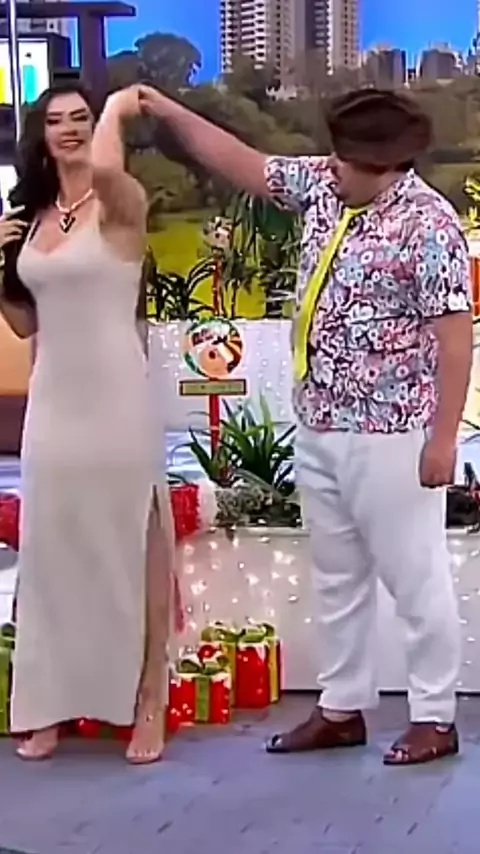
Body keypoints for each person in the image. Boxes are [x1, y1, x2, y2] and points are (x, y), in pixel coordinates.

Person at [138, 85, 473, 765]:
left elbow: (455, 337)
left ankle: (434, 718)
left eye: (345, 158)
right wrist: (166, 110)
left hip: (392, 435)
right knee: (337, 578)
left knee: (416, 580)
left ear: (384, 164)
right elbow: (242, 163)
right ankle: (341, 708)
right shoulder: (326, 186)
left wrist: (443, 440)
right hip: (320, 425)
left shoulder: (429, 225)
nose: (332, 165)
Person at [0, 82, 176, 763]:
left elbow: (103, 168)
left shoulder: (121, 204)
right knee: (51, 551)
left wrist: (121, 110)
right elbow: (25, 323)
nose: (70, 129)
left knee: (130, 545)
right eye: (56, 120)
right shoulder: (35, 219)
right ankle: (46, 703)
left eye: (82, 117)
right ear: (40, 135)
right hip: (53, 402)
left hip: (117, 399)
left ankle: (148, 699)